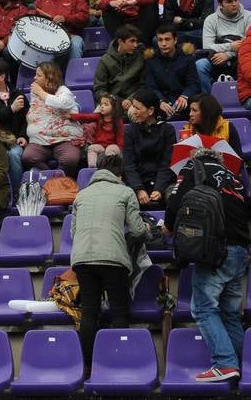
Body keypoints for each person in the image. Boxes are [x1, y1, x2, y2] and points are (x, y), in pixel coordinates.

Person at [164, 143, 251, 383]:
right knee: (229, 312)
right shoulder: (232, 177)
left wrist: (169, 226)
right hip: (241, 250)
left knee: (202, 308)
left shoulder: (193, 167)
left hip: (215, 250)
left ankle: (225, 362)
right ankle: (241, 365)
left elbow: (174, 203)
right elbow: (249, 208)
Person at [70, 154, 147, 370]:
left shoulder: (82, 195)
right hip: (113, 259)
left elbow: (73, 232)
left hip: (82, 258)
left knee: (89, 312)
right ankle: (118, 363)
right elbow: (137, 229)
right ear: (120, 174)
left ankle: (88, 366)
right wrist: (147, 231)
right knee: (119, 311)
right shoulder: (125, 191)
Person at [22, 62, 84, 176]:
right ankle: (51, 178)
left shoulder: (63, 90)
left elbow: (62, 103)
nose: (34, 78)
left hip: (64, 139)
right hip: (39, 140)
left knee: (70, 159)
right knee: (28, 157)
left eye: (39, 75)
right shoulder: (35, 94)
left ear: (49, 78)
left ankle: (58, 182)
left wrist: (41, 93)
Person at [121, 90, 175, 207]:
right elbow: (129, 165)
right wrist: (139, 189)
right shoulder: (130, 131)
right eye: (133, 107)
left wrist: (159, 188)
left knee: (173, 197)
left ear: (150, 110)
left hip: (162, 182)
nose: (134, 112)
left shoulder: (167, 130)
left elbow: (167, 163)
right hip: (137, 182)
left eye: (138, 108)